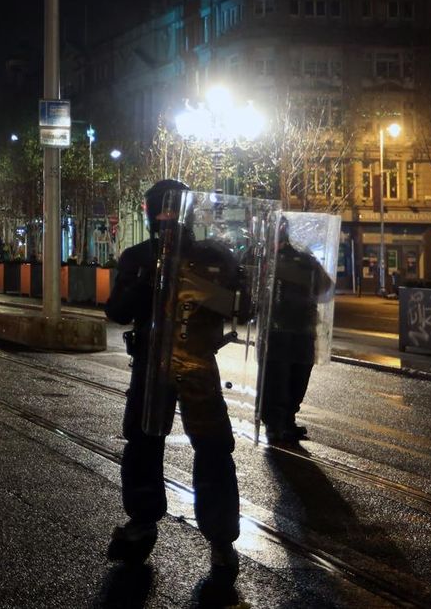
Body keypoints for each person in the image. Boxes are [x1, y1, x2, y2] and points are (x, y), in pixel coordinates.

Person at [104, 179, 242, 575]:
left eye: (171, 211)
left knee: (213, 449)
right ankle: (145, 522)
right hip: (152, 366)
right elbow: (118, 310)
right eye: (159, 212)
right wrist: (148, 277)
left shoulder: (211, 256)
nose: (165, 220)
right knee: (144, 443)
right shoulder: (140, 257)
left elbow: (242, 306)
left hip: (196, 365)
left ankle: (220, 538)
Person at [261, 223, 333, 444]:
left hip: (281, 329)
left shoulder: (266, 259)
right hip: (301, 328)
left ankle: (277, 423)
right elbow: (325, 288)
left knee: (278, 378)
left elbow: (324, 287)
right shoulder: (305, 259)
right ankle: (283, 422)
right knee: (293, 377)